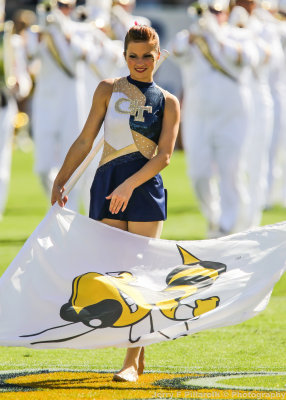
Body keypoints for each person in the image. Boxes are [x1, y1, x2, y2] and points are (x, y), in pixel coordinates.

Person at [51, 25, 180, 382]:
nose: (140, 63)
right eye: (133, 56)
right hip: (107, 184)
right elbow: (84, 139)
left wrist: (129, 185)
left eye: (147, 56)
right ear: (124, 56)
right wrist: (61, 178)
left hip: (143, 188)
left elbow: (165, 156)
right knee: (113, 275)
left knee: (141, 275)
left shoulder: (168, 101)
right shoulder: (107, 89)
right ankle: (137, 354)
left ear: (159, 56)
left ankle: (129, 360)